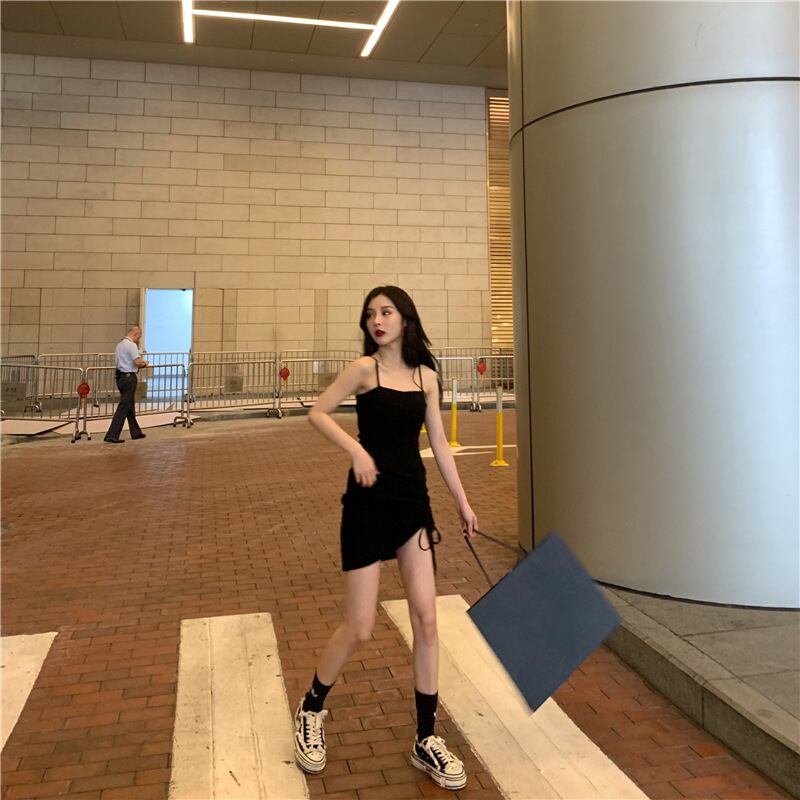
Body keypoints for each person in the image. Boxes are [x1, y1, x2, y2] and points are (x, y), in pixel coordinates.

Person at [294, 286, 478, 791]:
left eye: (387, 312)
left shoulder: (426, 378)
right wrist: (356, 451)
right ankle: (311, 707)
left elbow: (439, 444)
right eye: (370, 314)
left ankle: (426, 738)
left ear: (405, 320)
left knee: (427, 620)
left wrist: (462, 503)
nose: (377, 320)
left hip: (412, 507)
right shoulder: (363, 370)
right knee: (360, 626)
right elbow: (317, 412)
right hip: (367, 506)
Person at [104, 325, 148, 443]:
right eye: (139, 337)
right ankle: (112, 434)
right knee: (124, 406)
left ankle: (135, 432)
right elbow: (137, 362)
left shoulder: (119, 345)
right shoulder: (131, 345)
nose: (138, 339)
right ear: (136, 334)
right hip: (129, 377)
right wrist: (144, 363)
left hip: (120, 377)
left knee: (129, 404)